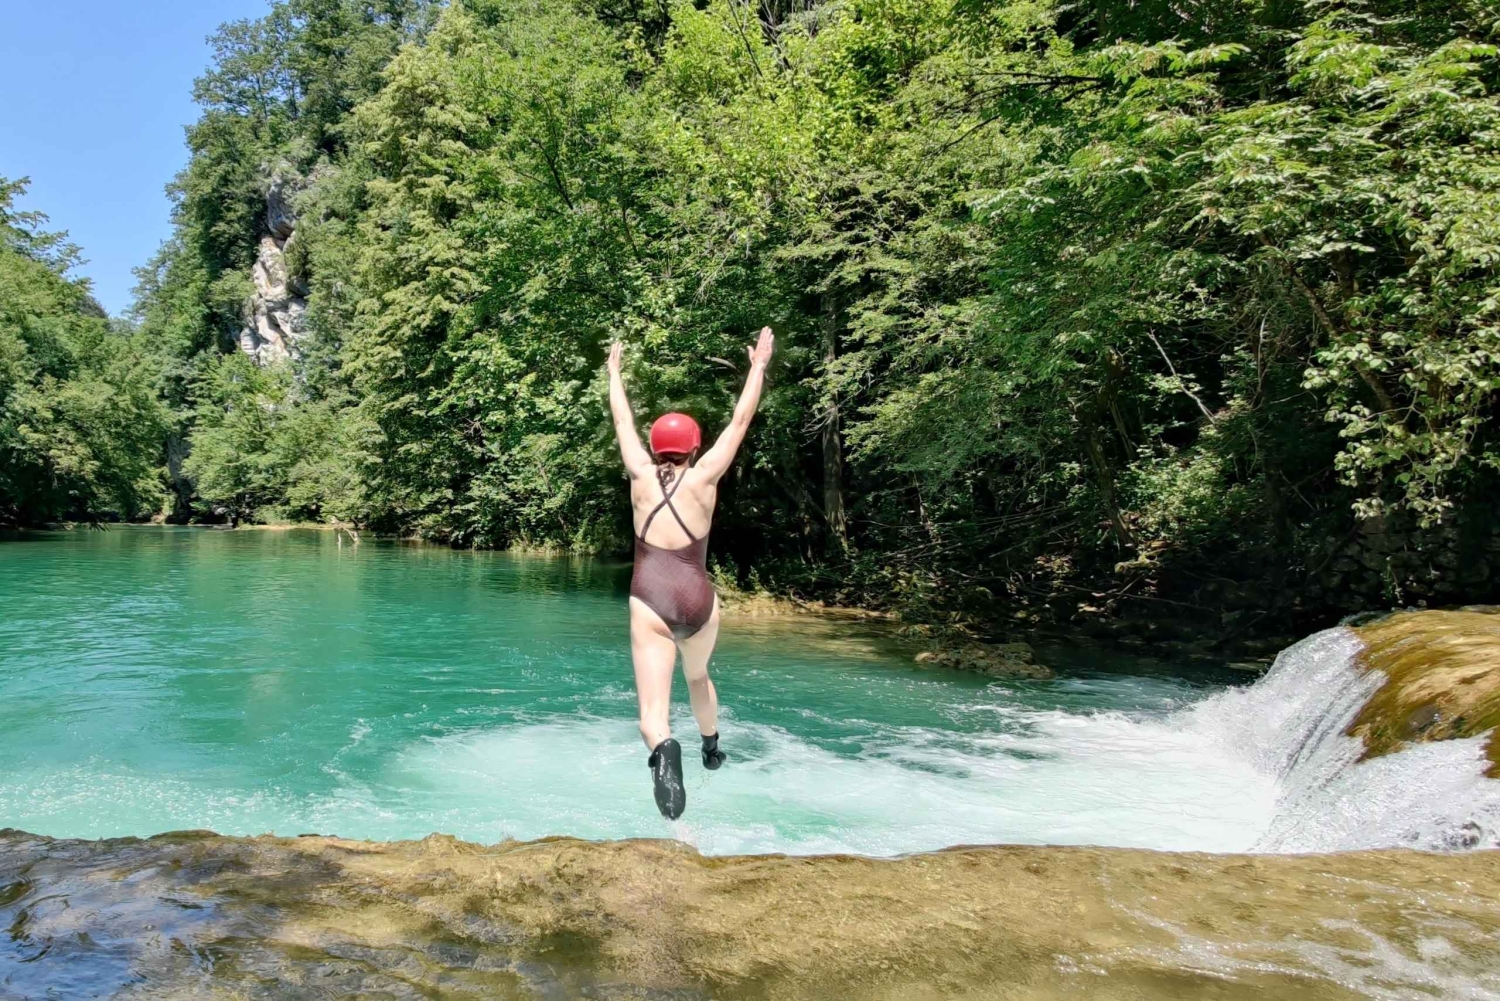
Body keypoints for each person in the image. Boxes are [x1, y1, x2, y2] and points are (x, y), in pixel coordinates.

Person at [606, 327, 775, 819]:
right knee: (697, 677)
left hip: (649, 597)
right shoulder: (704, 477)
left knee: (651, 717)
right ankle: (711, 747)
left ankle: (665, 750)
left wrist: (614, 372)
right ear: (694, 447)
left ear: (657, 448)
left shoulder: (639, 473)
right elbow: (741, 421)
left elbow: (622, 420)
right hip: (697, 599)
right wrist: (758, 367)